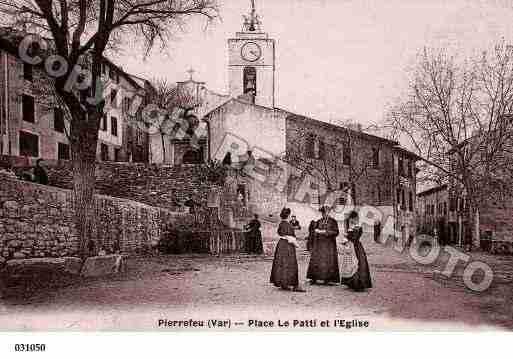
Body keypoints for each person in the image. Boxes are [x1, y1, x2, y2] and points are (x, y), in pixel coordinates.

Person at [270, 207, 306, 292]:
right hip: (288, 246)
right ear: (288, 215)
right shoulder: (288, 225)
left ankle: (283, 283)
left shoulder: (281, 224)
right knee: (290, 263)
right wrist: (297, 245)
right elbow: (291, 238)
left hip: (281, 244)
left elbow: (280, 233)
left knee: (281, 263)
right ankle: (294, 285)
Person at [306, 205, 340, 285]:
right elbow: (314, 231)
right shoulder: (319, 221)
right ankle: (314, 278)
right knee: (316, 260)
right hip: (319, 245)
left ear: (328, 212)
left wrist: (325, 232)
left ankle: (328, 279)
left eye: (325, 212)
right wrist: (315, 231)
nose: (323, 214)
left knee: (328, 262)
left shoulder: (333, 221)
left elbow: (336, 232)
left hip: (329, 246)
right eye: (322, 213)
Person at [341, 210, 372, 291]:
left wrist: (347, 236)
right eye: (351, 220)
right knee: (349, 264)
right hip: (350, 247)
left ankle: (359, 284)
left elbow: (355, 238)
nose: (352, 221)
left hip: (356, 247)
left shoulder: (358, 227)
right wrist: (345, 239)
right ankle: (350, 283)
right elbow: (349, 236)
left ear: (356, 218)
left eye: (354, 219)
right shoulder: (351, 227)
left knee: (358, 264)